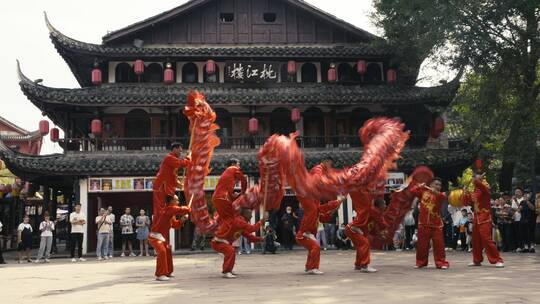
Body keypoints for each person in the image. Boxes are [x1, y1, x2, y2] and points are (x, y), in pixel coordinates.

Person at [296, 194, 343, 275]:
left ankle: (309, 267)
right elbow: (326, 207)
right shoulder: (312, 209)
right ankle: (313, 268)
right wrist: (338, 201)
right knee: (316, 247)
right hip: (304, 234)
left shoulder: (316, 212)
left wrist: (334, 210)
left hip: (307, 235)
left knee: (313, 248)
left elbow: (324, 218)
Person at [463, 174, 504, 268]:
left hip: (485, 217)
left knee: (486, 239)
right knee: (475, 240)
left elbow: (480, 185)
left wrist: (477, 180)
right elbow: (467, 202)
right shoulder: (475, 191)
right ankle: (476, 260)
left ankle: (498, 259)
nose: (473, 180)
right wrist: (465, 193)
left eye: (475, 178)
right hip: (476, 218)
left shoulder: (484, 188)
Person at [211, 207, 264, 278]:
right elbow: (252, 229)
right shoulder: (239, 221)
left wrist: (260, 239)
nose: (251, 216)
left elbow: (249, 236)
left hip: (223, 242)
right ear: (244, 214)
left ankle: (229, 270)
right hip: (218, 242)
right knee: (230, 250)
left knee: (232, 251)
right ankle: (226, 271)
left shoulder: (241, 224)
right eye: (250, 214)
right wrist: (260, 222)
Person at [409, 177, 450, 269]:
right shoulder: (423, 193)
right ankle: (421, 262)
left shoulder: (441, 195)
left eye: (440, 185)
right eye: (436, 184)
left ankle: (441, 263)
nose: (438, 186)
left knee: (439, 245)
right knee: (422, 245)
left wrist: (430, 189)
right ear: (431, 184)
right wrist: (419, 186)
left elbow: (442, 197)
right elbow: (412, 191)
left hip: (436, 224)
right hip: (423, 224)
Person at [149, 195, 191, 281]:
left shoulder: (170, 213)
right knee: (162, 251)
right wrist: (188, 209)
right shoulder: (168, 209)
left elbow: (175, 225)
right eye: (177, 200)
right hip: (155, 236)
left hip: (163, 237)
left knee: (167, 251)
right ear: (171, 201)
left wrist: (182, 220)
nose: (178, 202)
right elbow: (181, 209)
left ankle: (168, 272)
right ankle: (160, 274)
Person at [345, 190, 386, 273]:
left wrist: (380, 233)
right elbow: (382, 223)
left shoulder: (373, 212)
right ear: (379, 205)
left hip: (352, 229)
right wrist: (387, 228)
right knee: (365, 243)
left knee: (362, 246)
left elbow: (374, 229)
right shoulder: (374, 211)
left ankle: (358, 265)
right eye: (384, 204)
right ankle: (365, 265)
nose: (386, 205)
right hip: (353, 229)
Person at [153, 142, 191, 219]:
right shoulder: (169, 158)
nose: (181, 153)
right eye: (180, 151)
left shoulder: (172, 160)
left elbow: (173, 176)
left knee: (168, 208)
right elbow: (181, 163)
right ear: (174, 149)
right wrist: (188, 157)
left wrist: (177, 183)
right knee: (164, 208)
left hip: (167, 188)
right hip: (162, 188)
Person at [212, 158, 247, 236]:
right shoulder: (232, 168)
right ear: (233, 164)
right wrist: (243, 191)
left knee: (226, 220)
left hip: (218, 198)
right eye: (238, 164)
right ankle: (221, 237)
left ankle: (221, 237)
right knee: (230, 219)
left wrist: (238, 195)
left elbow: (231, 197)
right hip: (222, 198)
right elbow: (243, 180)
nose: (239, 167)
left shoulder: (228, 175)